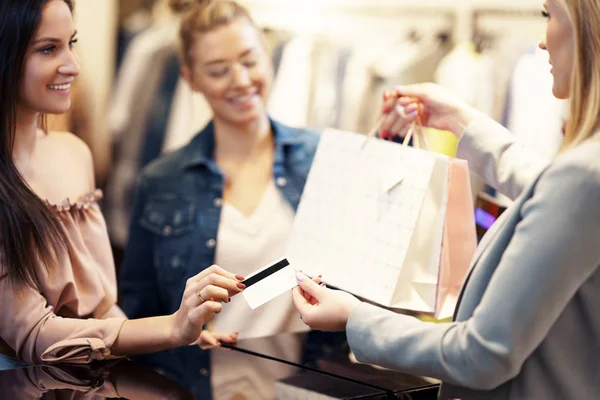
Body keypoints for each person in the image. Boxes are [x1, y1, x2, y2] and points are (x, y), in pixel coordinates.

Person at [293, 1, 600, 399]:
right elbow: (549, 190)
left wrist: (355, 318)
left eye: (549, 14)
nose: (541, 41)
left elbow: (480, 355)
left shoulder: (582, 175)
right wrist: (459, 119)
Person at [119, 1, 346, 399]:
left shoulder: (324, 159)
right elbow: (139, 317)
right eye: (219, 70)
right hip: (197, 388)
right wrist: (181, 335)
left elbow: (362, 280)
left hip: (308, 387)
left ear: (268, 57)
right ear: (191, 79)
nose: (240, 80)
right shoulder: (162, 182)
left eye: (249, 60)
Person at [0, 0, 243, 367]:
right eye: (48, 48)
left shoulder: (73, 154)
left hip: (90, 379)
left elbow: (101, 309)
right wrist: (170, 328)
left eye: (72, 43)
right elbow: (35, 334)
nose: (73, 66)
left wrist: (178, 336)